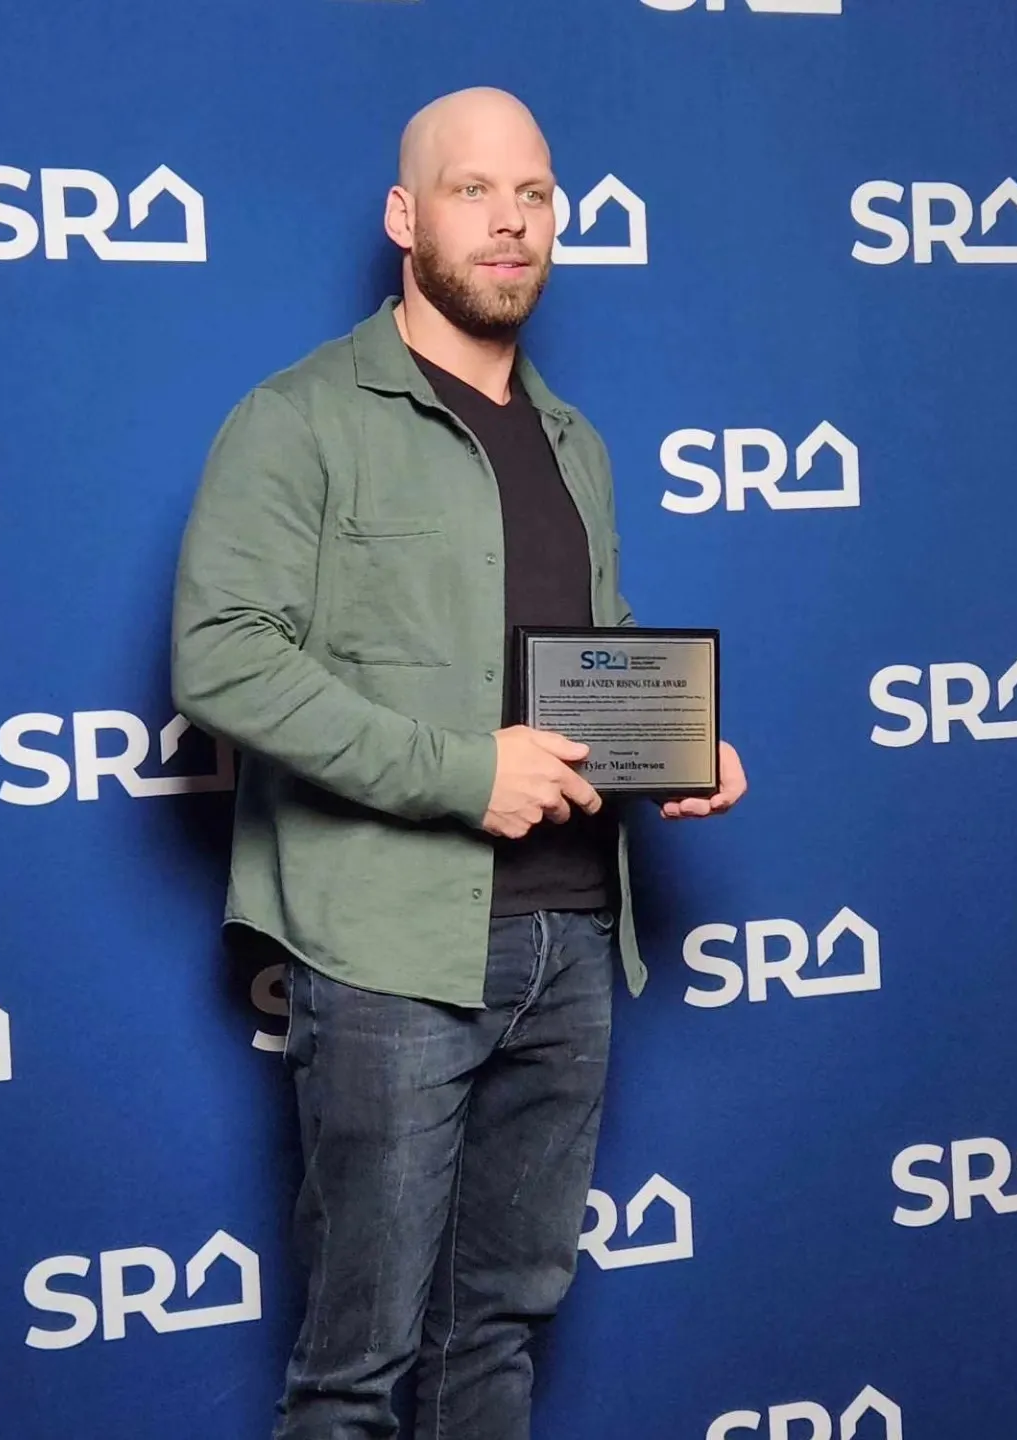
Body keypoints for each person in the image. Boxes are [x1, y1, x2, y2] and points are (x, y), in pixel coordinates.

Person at [171, 85, 747, 1440]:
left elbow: (585, 666)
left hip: (573, 944)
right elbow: (221, 658)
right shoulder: (299, 418)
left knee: (497, 1335)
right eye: (474, 190)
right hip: (388, 955)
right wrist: (457, 774)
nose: (510, 222)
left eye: (535, 196)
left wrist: (676, 745)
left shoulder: (576, 445)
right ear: (404, 216)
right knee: (357, 1365)